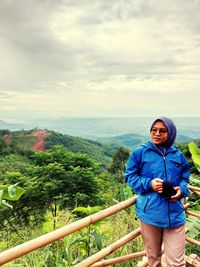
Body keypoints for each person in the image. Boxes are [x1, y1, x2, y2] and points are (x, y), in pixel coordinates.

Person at [125, 117, 190, 267]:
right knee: (153, 260)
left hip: (175, 214)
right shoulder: (140, 152)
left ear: (171, 133)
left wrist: (181, 190)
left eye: (162, 131)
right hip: (150, 216)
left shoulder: (177, 155)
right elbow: (130, 177)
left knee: (177, 263)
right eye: (154, 130)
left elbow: (185, 179)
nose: (157, 134)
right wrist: (150, 183)